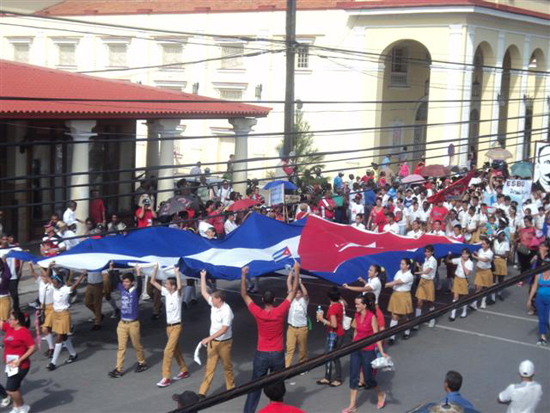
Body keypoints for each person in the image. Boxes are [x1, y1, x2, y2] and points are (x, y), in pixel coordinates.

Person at [241, 263, 299, 413]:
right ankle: (278, 409)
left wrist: (243, 276)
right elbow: (293, 292)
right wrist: (297, 272)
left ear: (262, 300)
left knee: (255, 387)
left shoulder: (258, 313)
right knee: (278, 385)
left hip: (262, 353)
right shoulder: (280, 311)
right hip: (278, 353)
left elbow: (244, 295)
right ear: (274, 300)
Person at [342, 294, 388, 413]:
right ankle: (352, 405)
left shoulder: (371, 317)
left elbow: (376, 335)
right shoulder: (357, 314)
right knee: (353, 376)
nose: (355, 306)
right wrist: (353, 344)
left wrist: (381, 351)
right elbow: (356, 330)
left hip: (368, 350)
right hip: (356, 348)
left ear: (364, 305)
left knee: (368, 378)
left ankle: (380, 394)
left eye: (357, 304)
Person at [149, 265, 190, 388]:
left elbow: (180, 286)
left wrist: (177, 273)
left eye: (167, 284)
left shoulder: (177, 294)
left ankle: (166, 377)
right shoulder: (166, 293)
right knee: (175, 350)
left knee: (168, 351)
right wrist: (155, 269)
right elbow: (152, 281)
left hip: (177, 327)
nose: (165, 285)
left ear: (172, 286)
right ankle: (184, 370)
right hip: (168, 327)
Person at [197, 269, 235, 398]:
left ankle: (231, 388)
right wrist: (203, 277)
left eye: (213, 299)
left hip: (224, 343)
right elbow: (203, 292)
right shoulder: (214, 305)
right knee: (210, 367)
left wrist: (208, 338)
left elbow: (224, 329)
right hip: (213, 343)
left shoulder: (227, 311)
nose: (211, 300)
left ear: (218, 299)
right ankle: (202, 392)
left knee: (227, 367)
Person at [108, 263, 148, 378]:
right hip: (122, 323)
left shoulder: (136, 291)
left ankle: (142, 362)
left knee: (137, 345)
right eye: (124, 281)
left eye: (127, 282)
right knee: (121, 347)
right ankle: (118, 369)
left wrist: (138, 272)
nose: (124, 284)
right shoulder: (121, 288)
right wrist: (111, 268)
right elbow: (114, 281)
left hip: (133, 324)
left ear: (132, 282)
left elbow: (140, 285)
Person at [45, 264, 86, 371]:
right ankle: (73, 354)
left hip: (63, 315)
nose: (53, 284)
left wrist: (82, 274)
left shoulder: (65, 289)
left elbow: (75, 285)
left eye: (55, 282)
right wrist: (50, 267)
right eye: (53, 282)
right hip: (55, 314)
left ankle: (53, 362)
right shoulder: (54, 287)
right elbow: (47, 277)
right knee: (64, 337)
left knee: (59, 337)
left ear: (59, 282)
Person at [0, 311, 36, 413]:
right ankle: (16, 408)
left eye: (11, 319)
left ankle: (23, 406)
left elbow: (32, 347)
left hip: (21, 365)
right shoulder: (9, 328)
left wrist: (20, 360)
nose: (8, 320)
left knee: (10, 390)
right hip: (10, 364)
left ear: (17, 321)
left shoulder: (24, 332)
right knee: (15, 386)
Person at [315, 286, 345, 388]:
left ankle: (335, 378)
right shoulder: (340, 304)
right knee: (333, 356)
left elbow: (334, 324)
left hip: (334, 334)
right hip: (339, 333)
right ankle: (331, 377)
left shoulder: (333, 308)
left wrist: (321, 319)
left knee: (332, 356)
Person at [28, 264, 55, 358]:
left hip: (52, 308)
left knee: (45, 328)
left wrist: (42, 266)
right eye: (41, 275)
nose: (42, 277)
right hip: (43, 308)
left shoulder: (52, 284)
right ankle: (54, 345)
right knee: (47, 329)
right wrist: (30, 264)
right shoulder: (41, 282)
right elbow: (32, 273)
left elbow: (47, 276)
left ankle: (52, 348)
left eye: (44, 275)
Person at [385, 258, 414, 343]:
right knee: (394, 316)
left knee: (404, 317)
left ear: (408, 266)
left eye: (403, 264)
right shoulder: (398, 272)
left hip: (403, 296)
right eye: (401, 263)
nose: (401, 265)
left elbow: (398, 282)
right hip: (395, 295)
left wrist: (386, 284)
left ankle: (407, 331)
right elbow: (394, 281)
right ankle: (391, 337)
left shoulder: (409, 275)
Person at [285, 266, 309, 368]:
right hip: (291, 328)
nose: (297, 294)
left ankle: (302, 366)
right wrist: (291, 271)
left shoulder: (304, 300)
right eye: (296, 292)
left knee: (302, 349)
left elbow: (306, 293)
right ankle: (286, 367)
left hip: (302, 328)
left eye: (298, 292)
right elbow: (288, 283)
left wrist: (300, 283)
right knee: (289, 349)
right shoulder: (291, 299)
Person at [414, 245, 437, 328]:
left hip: (429, 282)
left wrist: (415, 273)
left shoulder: (433, 260)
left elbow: (427, 271)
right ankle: (416, 322)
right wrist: (419, 266)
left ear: (432, 252)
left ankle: (432, 319)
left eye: (428, 251)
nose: (426, 253)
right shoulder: (425, 259)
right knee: (419, 302)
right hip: (422, 281)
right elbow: (423, 270)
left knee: (429, 302)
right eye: (426, 251)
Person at [447, 249, 474, 321]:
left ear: (468, 255)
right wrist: (448, 255)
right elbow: (449, 261)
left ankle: (464, 311)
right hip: (457, 279)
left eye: (466, 254)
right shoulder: (459, 259)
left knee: (463, 297)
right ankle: (453, 314)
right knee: (455, 296)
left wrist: (462, 264)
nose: (464, 255)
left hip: (464, 280)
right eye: (463, 254)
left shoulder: (470, 263)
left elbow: (467, 273)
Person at [527, 266, 550, 346]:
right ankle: (542, 337)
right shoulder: (538, 275)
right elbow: (534, 287)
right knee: (541, 318)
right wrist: (529, 299)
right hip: (540, 299)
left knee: (547, 319)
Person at [470, 237, 494, 310]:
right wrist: (476, 255)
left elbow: (485, 260)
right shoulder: (480, 250)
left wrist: (475, 257)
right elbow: (479, 259)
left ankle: (483, 302)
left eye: (483, 244)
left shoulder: (490, 252)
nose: (482, 245)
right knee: (478, 287)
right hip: (479, 271)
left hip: (486, 271)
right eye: (482, 244)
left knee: (485, 288)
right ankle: (474, 303)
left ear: (488, 245)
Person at [492, 230, 510, 302]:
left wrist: (497, 254)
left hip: (502, 261)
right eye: (502, 235)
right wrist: (498, 255)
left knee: (501, 279)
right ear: (498, 235)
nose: (503, 237)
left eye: (504, 235)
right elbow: (493, 252)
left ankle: (499, 293)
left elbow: (506, 255)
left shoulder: (506, 243)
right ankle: (492, 296)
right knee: (493, 278)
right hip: (495, 260)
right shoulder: (494, 241)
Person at [0, 257, 12, 323]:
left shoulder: (4, 274)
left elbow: (9, 275)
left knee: (4, 320)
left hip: (4, 298)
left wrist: (5, 262)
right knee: (1, 320)